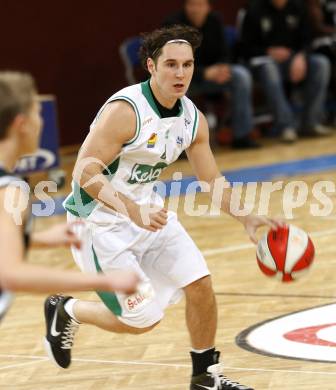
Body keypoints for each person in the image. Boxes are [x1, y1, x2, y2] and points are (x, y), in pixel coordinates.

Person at [46, 25, 282, 390]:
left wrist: (246, 217)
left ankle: (206, 377)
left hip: (148, 212)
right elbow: (83, 171)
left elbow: (212, 179)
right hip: (98, 224)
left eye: (187, 65)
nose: (180, 73)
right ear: (151, 67)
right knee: (143, 321)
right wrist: (130, 210)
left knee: (200, 283)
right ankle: (68, 310)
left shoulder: (192, 118)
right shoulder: (125, 111)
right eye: (171, 64)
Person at [0, 71, 139, 322]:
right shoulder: (8, 190)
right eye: (37, 113)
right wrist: (104, 280)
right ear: (21, 124)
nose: (41, 122)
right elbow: (11, 274)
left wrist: (38, 238)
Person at [163, 0, 259, 149]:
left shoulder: (215, 20)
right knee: (173, 87)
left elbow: (225, 51)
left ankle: (242, 136)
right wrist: (204, 73)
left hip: (214, 75)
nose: (196, 9)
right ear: (186, 6)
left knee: (241, 75)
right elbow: (172, 63)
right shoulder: (173, 24)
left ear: (208, 7)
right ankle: (179, 144)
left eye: (200, 5)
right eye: (192, 5)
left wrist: (222, 67)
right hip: (185, 78)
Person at [241, 0, 332, 142]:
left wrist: (301, 56)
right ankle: (286, 126)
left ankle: (311, 122)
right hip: (264, 62)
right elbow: (244, 48)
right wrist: (268, 51)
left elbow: (308, 41)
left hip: (294, 59)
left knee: (321, 63)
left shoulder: (298, 7)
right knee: (270, 70)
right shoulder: (254, 10)